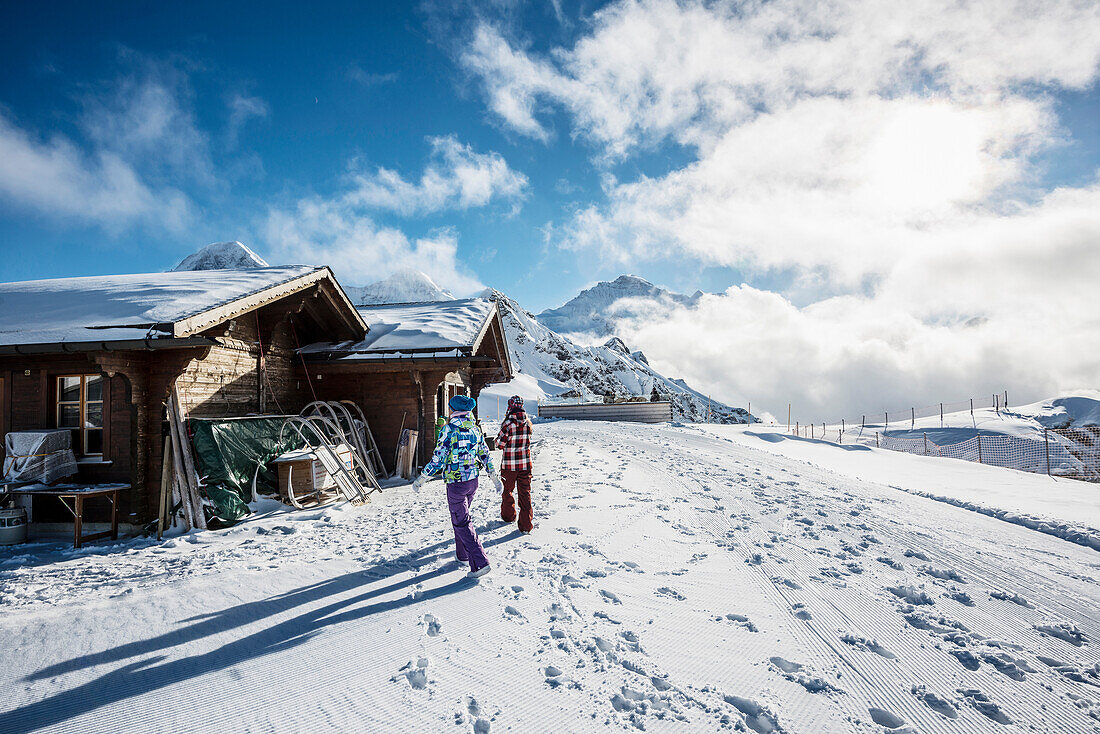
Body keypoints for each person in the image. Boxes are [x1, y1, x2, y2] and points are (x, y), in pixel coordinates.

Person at [413, 394, 504, 579]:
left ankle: (480, 563)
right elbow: (485, 454)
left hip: (456, 484)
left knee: (461, 522)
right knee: (461, 519)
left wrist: (422, 478)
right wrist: (494, 476)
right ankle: (462, 556)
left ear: (453, 410)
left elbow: (438, 458)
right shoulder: (475, 429)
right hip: (472, 482)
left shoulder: (448, 429)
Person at [496, 395, 534, 533]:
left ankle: (508, 516)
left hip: (509, 466)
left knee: (507, 491)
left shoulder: (508, 424)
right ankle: (526, 525)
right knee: (525, 493)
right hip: (525, 464)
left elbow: (499, 445)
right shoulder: (528, 423)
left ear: (510, 406)